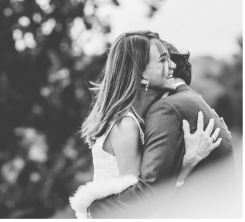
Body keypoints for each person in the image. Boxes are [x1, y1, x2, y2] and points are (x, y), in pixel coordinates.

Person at [69, 31, 233, 218]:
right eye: (163, 60)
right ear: (141, 76)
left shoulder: (133, 119)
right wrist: (187, 162)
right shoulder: (126, 126)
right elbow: (140, 206)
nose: (172, 65)